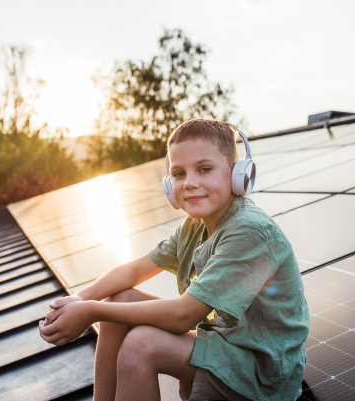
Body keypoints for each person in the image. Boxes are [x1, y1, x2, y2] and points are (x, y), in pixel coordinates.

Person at [39, 119, 309, 401]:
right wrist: (81, 299)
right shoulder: (194, 227)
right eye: (178, 173)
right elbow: (133, 271)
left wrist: (91, 312)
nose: (190, 183)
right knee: (119, 299)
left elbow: (183, 316)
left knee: (141, 345)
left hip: (262, 374)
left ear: (237, 174)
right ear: (169, 184)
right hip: (227, 344)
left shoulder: (249, 231)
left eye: (205, 169)